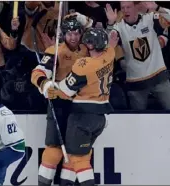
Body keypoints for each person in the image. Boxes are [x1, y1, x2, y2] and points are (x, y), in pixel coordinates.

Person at [45, 28, 119, 186]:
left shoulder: (84, 65)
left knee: (78, 160)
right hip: (100, 118)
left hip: (82, 117)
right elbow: (111, 46)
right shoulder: (109, 55)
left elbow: (65, 90)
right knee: (75, 155)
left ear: (91, 46)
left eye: (87, 42)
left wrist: (51, 87)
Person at [30, 16, 90, 186]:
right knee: (53, 150)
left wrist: (81, 17)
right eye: (70, 34)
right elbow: (37, 73)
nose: (73, 37)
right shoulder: (55, 51)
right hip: (59, 104)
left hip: (80, 106)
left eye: (76, 33)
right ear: (64, 35)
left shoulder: (87, 49)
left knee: (73, 151)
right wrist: (46, 84)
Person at [105, 2, 170, 110]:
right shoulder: (118, 27)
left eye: (129, 7)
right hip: (136, 83)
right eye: (123, 8)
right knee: (137, 120)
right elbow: (106, 44)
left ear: (136, 7)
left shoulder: (150, 18)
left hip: (159, 77)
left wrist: (157, 8)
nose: (125, 10)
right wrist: (110, 23)